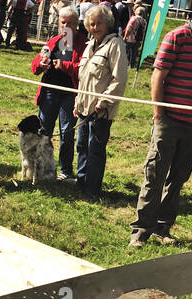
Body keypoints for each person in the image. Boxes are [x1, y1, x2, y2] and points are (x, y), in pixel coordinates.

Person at [128, 0, 192, 246]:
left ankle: (163, 229)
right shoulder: (177, 37)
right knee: (155, 175)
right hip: (169, 120)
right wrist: (159, 113)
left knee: (179, 178)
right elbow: (158, 76)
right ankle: (140, 232)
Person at [73, 3, 126, 200]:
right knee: (82, 147)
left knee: (95, 149)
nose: (95, 27)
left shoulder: (115, 45)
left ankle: (92, 189)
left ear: (108, 23)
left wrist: (104, 101)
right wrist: (77, 103)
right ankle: (81, 182)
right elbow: (83, 78)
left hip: (100, 110)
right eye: (92, 24)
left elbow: (119, 79)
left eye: (99, 23)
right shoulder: (89, 46)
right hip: (84, 107)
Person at [31, 5, 84, 180]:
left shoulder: (83, 44)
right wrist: (41, 64)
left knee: (67, 132)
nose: (65, 26)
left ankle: (66, 171)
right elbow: (35, 65)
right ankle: (43, 168)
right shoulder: (53, 41)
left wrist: (65, 66)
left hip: (70, 94)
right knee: (44, 130)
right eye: (63, 22)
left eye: (69, 23)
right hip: (49, 93)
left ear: (76, 25)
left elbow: (84, 70)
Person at [122, 3, 145, 69]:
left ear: (136, 12)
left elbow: (129, 28)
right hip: (137, 39)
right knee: (134, 53)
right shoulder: (144, 21)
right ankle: (131, 65)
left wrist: (125, 36)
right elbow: (144, 32)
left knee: (126, 52)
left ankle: (124, 64)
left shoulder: (133, 19)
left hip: (130, 39)